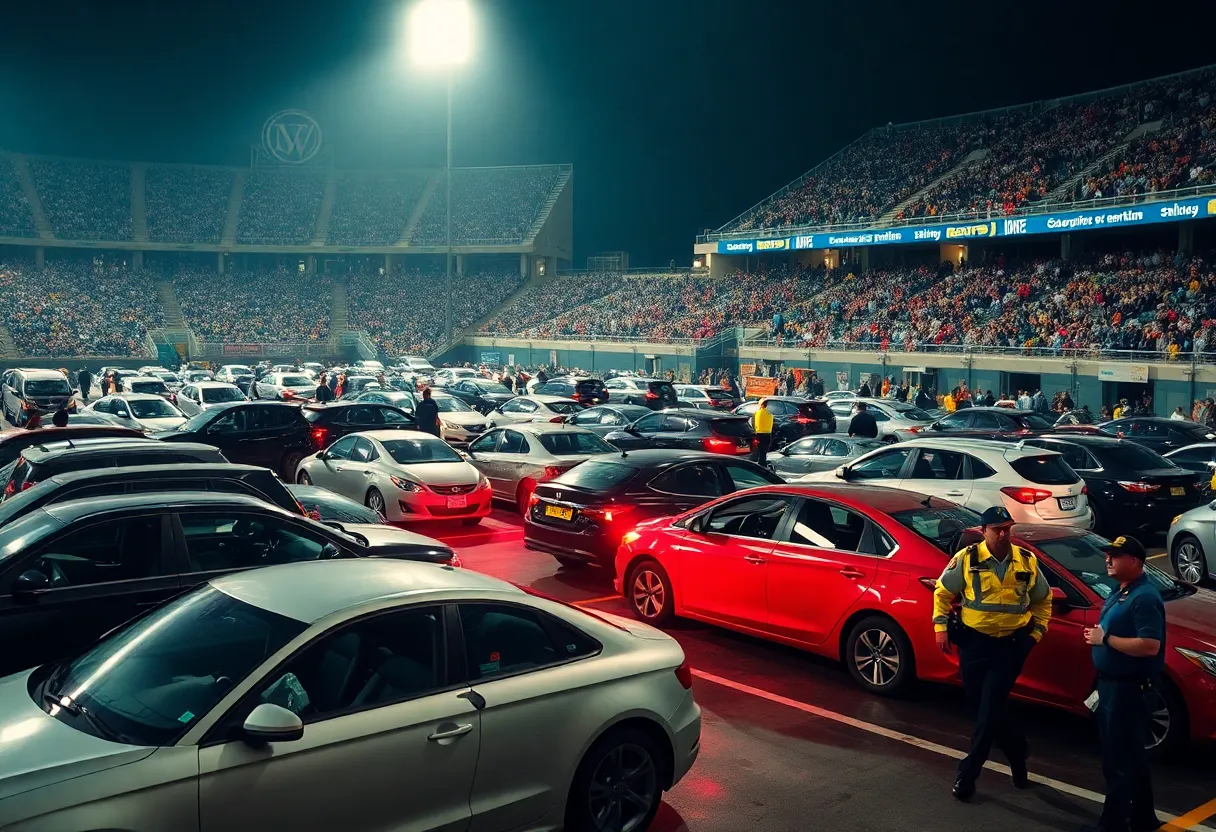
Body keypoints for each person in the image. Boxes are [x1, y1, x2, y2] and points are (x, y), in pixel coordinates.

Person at [933, 506, 1051, 801]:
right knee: (983, 709)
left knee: (988, 711)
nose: (1002, 534)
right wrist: (940, 627)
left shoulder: (1026, 560)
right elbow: (943, 592)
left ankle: (968, 775)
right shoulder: (967, 558)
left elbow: (1043, 600)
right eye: (996, 529)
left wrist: (1036, 633)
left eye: (1007, 528)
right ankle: (1018, 754)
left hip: (1010, 647)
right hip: (974, 644)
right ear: (983, 531)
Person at [1084, 536, 1164, 832]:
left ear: (1134, 561)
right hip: (1112, 685)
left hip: (1129, 688)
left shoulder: (1144, 597)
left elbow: (1149, 645)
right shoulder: (1122, 591)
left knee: (1117, 761)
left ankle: (1112, 825)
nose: (1108, 560)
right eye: (1108, 555)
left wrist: (1105, 640)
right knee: (1132, 756)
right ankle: (1144, 818)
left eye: (1115, 556)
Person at [752, 398, 774, 463]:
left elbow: (753, 423)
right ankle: (762, 462)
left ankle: (760, 463)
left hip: (759, 434)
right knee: (764, 450)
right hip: (768, 434)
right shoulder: (769, 413)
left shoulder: (757, 412)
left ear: (761, 405)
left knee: (759, 450)